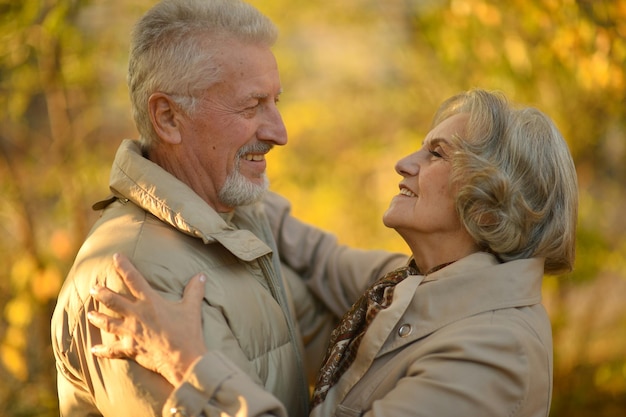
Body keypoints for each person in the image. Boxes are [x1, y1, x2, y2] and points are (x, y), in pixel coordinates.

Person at [88, 88, 578, 417]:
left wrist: (188, 364)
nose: (404, 164)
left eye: (436, 154)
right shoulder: (416, 280)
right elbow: (317, 257)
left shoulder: (493, 355)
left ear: (492, 207)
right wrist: (210, 179)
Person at [50, 0, 407, 416]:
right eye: (251, 106)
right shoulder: (136, 278)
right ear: (167, 118)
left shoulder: (235, 224)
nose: (279, 133)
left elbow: (349, 329)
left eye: (276, 101)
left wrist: (466, 272)